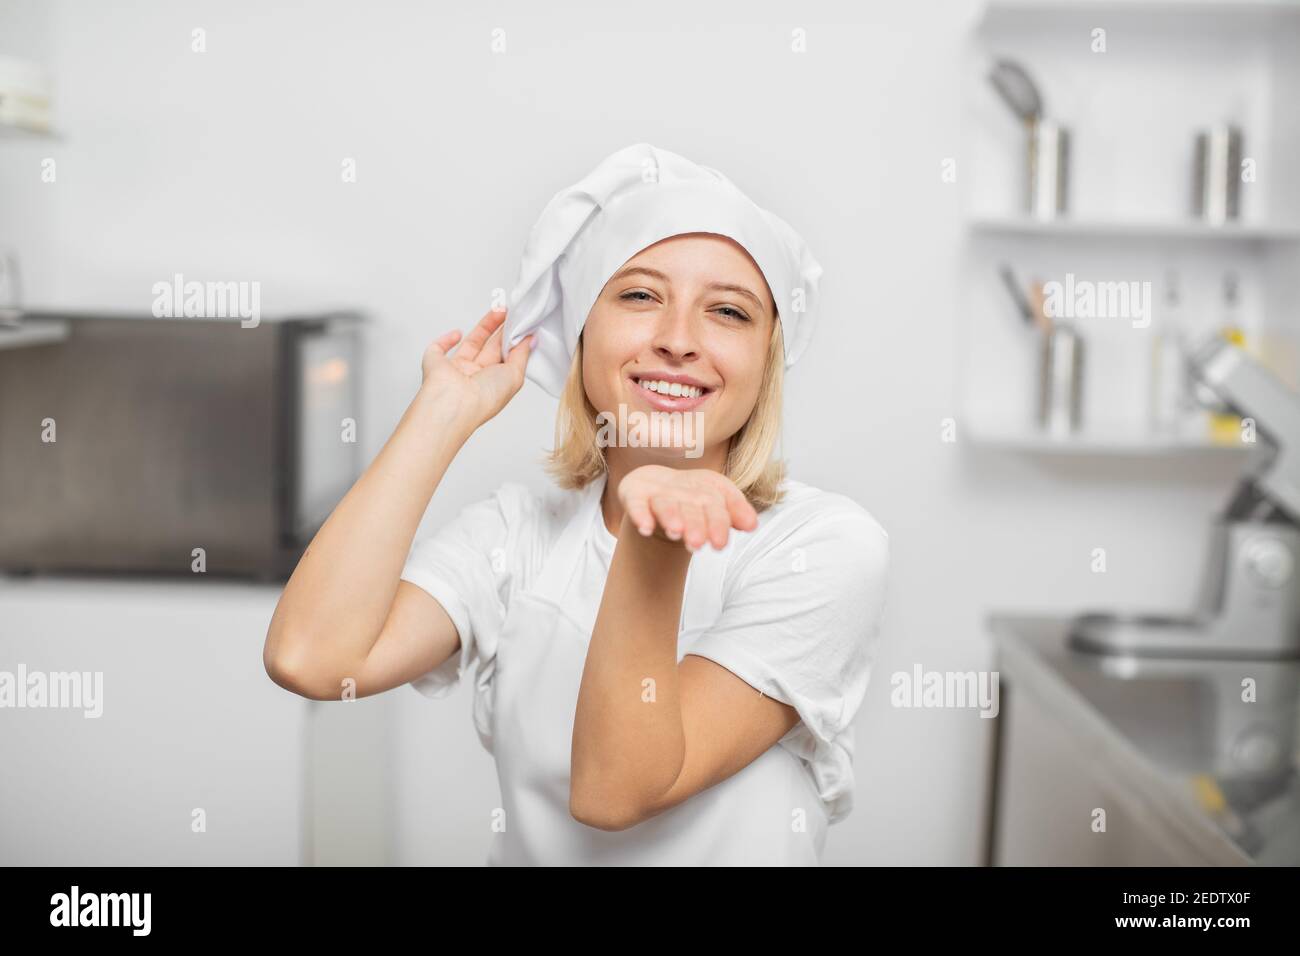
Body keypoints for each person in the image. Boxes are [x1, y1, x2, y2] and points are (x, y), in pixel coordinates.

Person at [264, 143, 890, 865]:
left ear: (765, 363)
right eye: (639, 295)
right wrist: (442, 412)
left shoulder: (824, 547)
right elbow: (311, 657)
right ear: (582, 334)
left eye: (727, 311)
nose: (679, 340)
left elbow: (614, 789)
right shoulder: (516, 536)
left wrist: (655, 537)